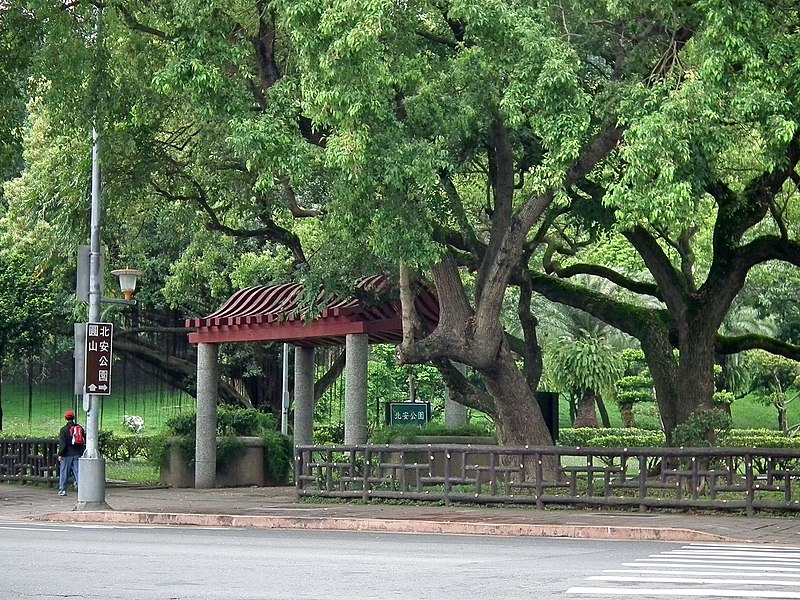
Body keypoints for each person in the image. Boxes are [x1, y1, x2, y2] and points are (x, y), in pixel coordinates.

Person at [58, 410, 85, 496]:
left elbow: (63, 444)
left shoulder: (64, 430)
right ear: (73, 418)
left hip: (67, 455)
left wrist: (60, 454)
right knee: (78, 472)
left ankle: (62, 489)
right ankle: (82, 490)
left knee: (64, 472)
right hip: (78, 453)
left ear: (65, 418)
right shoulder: (79, 428)